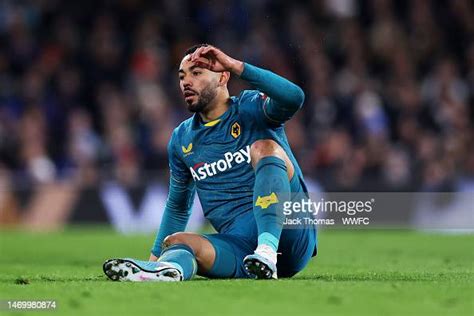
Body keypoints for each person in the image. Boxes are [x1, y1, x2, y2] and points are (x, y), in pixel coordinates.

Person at [103, 44, 317, 281]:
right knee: (176, 242)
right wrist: (153, 261)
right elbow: (178, 206)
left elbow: (294, 98)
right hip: (242, 248)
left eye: (196, 73)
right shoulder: (182, 139)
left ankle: (267, 251)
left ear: (223, 77)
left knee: (264, 147)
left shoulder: (252, 107)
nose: (186, 82)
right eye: (182, 76)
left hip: (290, 232)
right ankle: (164, 272)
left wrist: (237, 66)